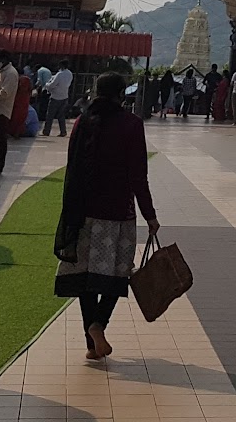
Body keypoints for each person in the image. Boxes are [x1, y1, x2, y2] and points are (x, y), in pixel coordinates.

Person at [55, 73, 159, 362]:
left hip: (83, 212)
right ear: (121, 94)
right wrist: (149, 214)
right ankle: (99, 324)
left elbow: (72, 166)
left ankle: (92, 344)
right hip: (117, 213)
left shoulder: (82, 121)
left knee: (86, 277)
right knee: (117, 273)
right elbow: (138, 176)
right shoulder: (131, 124)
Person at [43, 60, 74, 137]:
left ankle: (46, 131)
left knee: (50, 115)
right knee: (61, 116)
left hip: (55, 96)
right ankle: (63, 131)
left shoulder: (59, 74)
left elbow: (52, 84)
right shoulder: (70, 74)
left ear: (62, 66)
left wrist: (47, 85)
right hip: (64, 96)